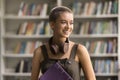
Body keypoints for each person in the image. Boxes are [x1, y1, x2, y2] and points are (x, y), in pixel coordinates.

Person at [31, 6, 96, 80]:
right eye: (63, 22)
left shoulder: (80, 50)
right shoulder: (39, 52)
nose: (68, 27)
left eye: (71, 23)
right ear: (52, 25)